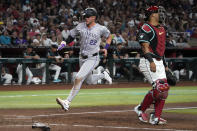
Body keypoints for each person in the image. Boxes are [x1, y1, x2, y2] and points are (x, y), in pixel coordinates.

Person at [56, 8, 112, 111]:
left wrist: (106, 48)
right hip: (81, 57)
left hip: (93, 58)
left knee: (78, 78)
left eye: (87, 16)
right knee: (89, 81)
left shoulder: (101, 28)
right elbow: (71, 37)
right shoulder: (80, 26)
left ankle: (67, 102)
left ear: (93, 17)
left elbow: (109, 36)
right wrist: (64, 43)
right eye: (84, 16)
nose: (85, 18)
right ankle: (103, 75)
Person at [134, 6, 170, 125]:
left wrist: (165, 65)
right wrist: (151, 61)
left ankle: (156, 117)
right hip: (147, 61)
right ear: (152, 15)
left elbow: (161, 49)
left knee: (164, 90)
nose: (161, 14)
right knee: (159, 87)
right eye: (158, 12)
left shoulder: (162, 28)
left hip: (159, 61)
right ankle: (140, 109)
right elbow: (145, 47)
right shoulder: (145, 28)